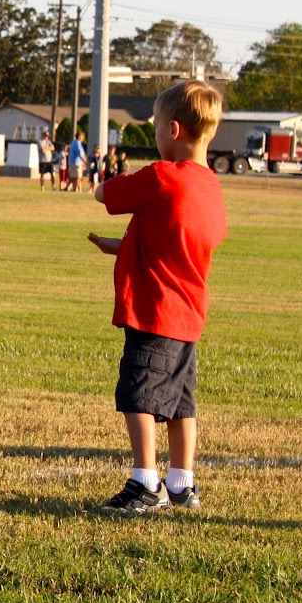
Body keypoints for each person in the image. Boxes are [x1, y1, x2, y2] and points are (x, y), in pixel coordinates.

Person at [87, 82, 227, 514]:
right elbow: (179, 239)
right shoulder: (211, 187)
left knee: (140, 395)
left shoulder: (163, 175)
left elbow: (104, 194)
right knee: (181, 402)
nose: (155, 136)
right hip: (188, 313)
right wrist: (127, 246)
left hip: (154, 310)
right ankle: (182, 484)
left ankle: (145, 482)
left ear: (173, 128)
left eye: (156, 127)